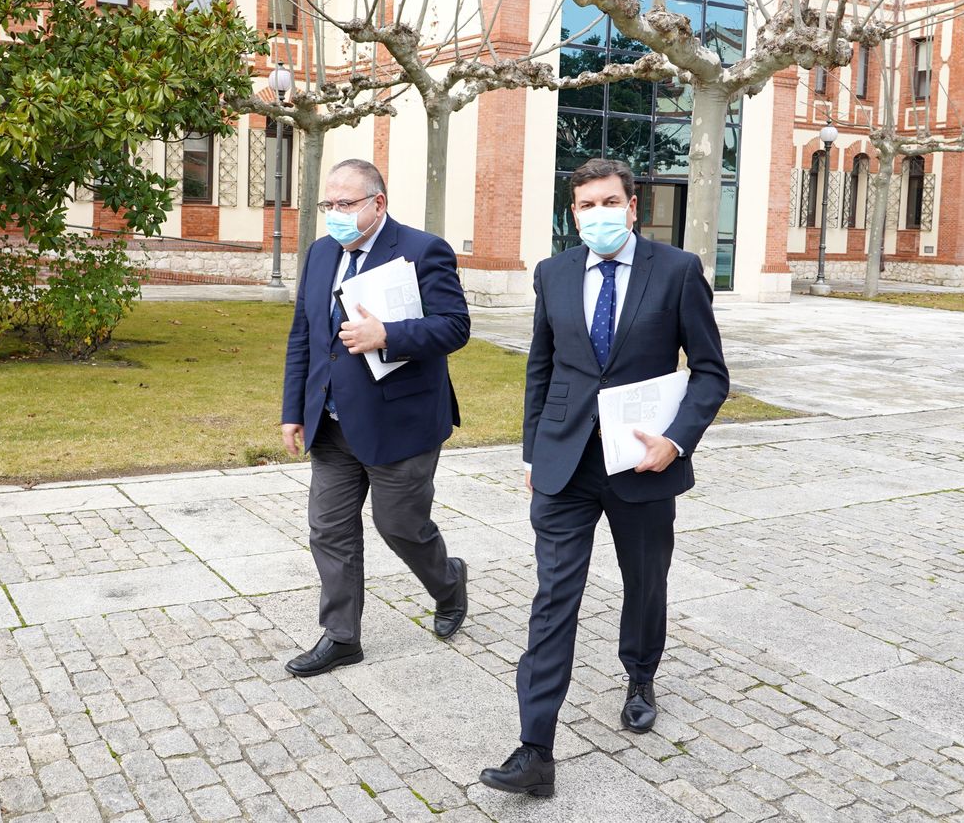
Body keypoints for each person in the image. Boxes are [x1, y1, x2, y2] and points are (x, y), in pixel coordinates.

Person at [479, 158, 729, 797]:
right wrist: (533, 453)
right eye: (587, 206)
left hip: (643, 462)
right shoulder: (553, 273)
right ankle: (535, 749)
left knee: (645, 582)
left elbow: (710, 372)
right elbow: (542, 366)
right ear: (573, 214)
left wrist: (675, 441)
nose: (599, 216)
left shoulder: (676, 272)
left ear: (633, 206)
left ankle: (641, 675)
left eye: (609, 202)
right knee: (552, 597)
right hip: (564, 464)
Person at [280, 159, 472, 676]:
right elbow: (304, 336)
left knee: (401, 526)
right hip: (332, 423)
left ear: (377, 204)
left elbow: (454, 328)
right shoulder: (321, 254)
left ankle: (449, 582)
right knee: (329, 530)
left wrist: (389, 335)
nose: (335, 215)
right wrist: (293, 410)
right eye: (328, 205)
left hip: (400, 423)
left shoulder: (421, 249)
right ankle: (342, 636)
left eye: (346, 204)